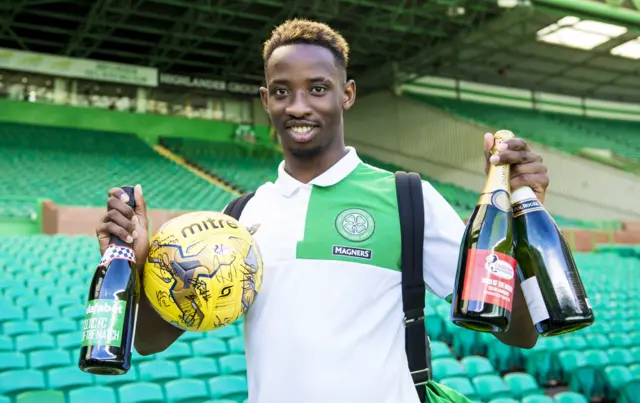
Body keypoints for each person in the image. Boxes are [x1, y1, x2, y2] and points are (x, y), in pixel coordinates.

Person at [96, 18, 549, 403]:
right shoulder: (236, 218)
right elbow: (151, 340)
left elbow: (517, 332)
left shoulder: (409, 197)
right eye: (281, 91)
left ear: (347, 93)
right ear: (265, 100)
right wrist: (137, 262)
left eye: (317, 88)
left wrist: (521, 224)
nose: (298, 106)